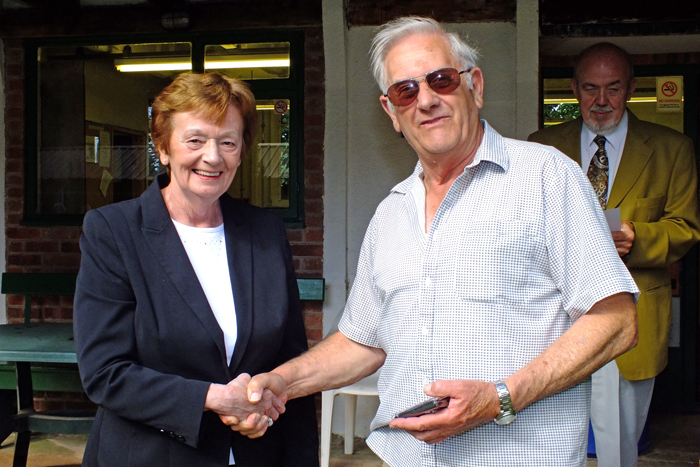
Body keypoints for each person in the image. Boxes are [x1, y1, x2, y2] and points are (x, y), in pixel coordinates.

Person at [237, 17, 639, 467]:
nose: (426, 100)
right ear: (391, 112)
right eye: (406, 91)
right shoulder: (391, 213)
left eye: (441, 80)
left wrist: (500, 399)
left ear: (476, 87)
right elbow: (363, 342)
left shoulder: (547, 177)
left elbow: (616, 319)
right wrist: (282, 382)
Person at [73, 72, 318, 467]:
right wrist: (214, 398)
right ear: (163, 147)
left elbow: (291, 363)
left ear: (242, 151)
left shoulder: (265, 233)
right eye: (195, 140)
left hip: (257, 454)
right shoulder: (113, 231)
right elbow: (105, 373)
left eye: (228, 142)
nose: (213, 156)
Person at [528, 42, 700, 467]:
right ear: (573, 88)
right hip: (554, 318)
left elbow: (687, 229)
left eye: (613, 88)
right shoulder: (541, 147)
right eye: (589, 88)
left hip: (633, 317)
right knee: (545, 436)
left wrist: (637, 238)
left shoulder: (672, 147)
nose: (601, 101)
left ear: (631, 88)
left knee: (619, 446)